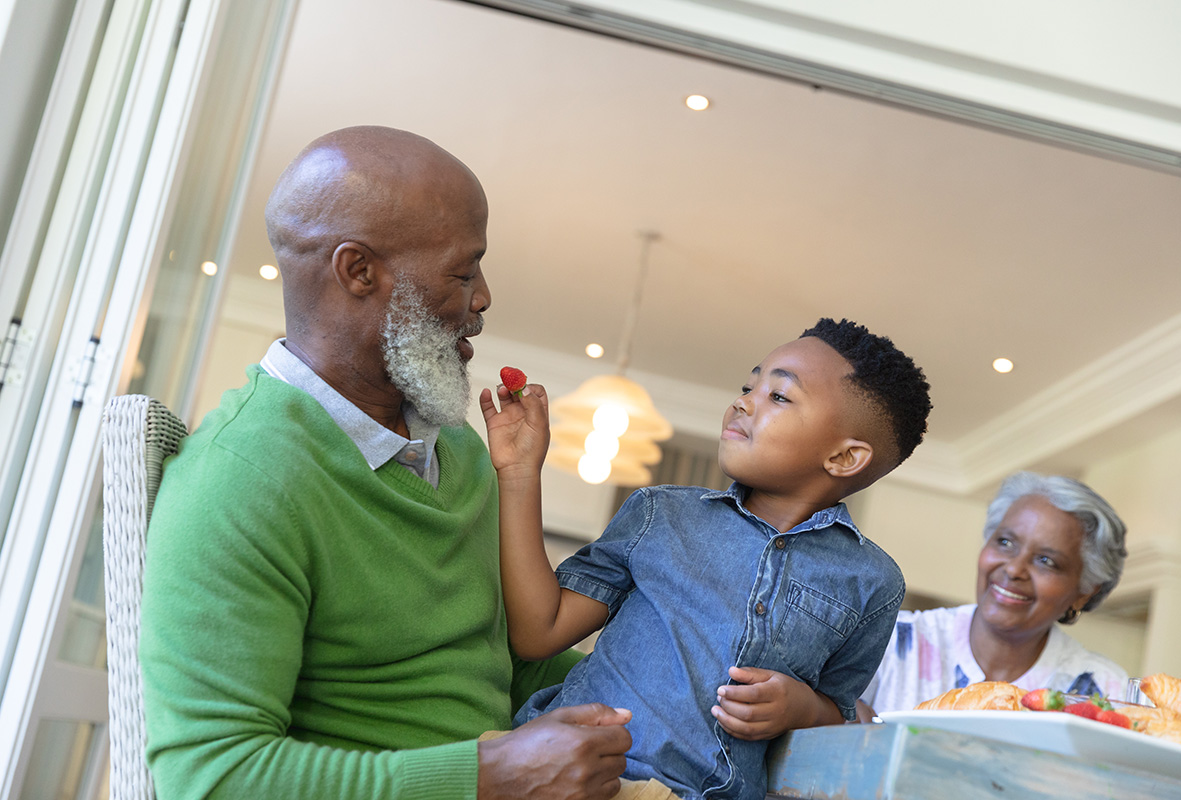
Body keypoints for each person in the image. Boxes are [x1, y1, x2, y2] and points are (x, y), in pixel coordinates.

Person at [139, 126, 634, 800]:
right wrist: (491, 777)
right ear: (359, 271)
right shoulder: (241, 477)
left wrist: (667, 690)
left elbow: (504, 670)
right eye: (464, 271)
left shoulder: (458, 451)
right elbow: (212, 777)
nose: (483, 297)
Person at [480, 318, 933, 800]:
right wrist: (520, 472)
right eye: (748, 385)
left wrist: (801, 706)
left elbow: (838, 716)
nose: (742, 401)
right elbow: (538, 631)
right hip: (578, 776)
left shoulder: (874, 583)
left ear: (844, 458)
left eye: (778, 396)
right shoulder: (660, 514)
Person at [858, 471, 1129, 717]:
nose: (1014, 569)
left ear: (1084, 591)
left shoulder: (1105, 691)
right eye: (1005, 542)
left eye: (1046, 561)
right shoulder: (890, 641)